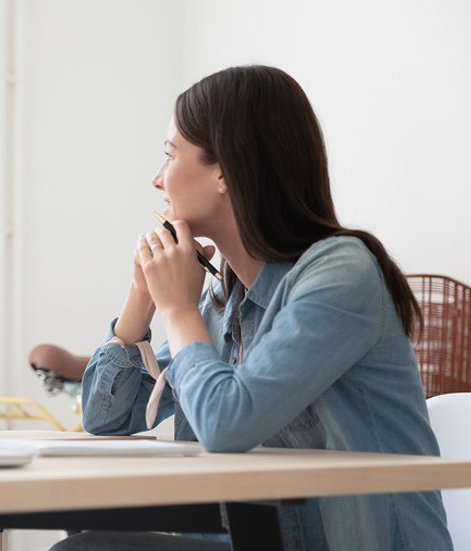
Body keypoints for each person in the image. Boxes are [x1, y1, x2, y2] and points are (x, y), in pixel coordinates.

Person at [52, 66, 451, 551]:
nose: (157, 178)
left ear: (225, 171)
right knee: (88, 542)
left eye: (170, 154)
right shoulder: (225, 297)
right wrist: (143, 299)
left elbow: (227, 423)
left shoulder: (339, 274)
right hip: (255, 538)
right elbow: (106, 419)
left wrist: (179, 310)